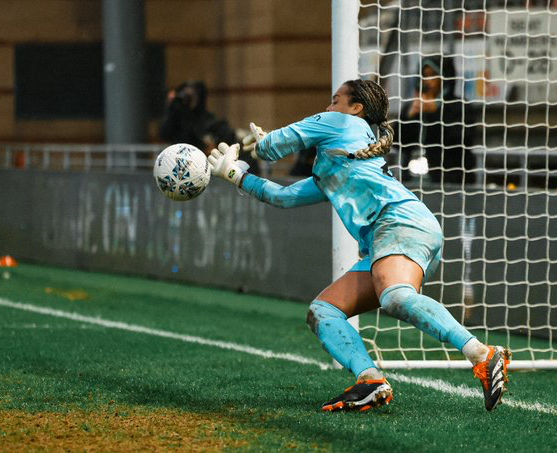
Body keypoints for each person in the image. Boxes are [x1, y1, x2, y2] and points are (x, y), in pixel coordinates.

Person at [207, 79, 510, 412]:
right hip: (393, 237)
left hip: (400, 224)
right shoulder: (333, 165)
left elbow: (274, 146)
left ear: (356, 108)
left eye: (335, 100)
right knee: (324, 311)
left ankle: (482, 354)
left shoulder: (343, 122)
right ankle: (370, 381)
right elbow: (283, 197)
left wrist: (261, 143)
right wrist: (237, 176)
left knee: (394, 297)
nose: (328, 107)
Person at [396, 56, 478, 185]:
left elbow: (461, 139)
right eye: (424, 75)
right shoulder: (413, 106)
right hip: (412, 181)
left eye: (433, 75)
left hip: (451, 180)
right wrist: (409, 116)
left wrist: (435, 113)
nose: (428, 81)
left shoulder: (460, 106)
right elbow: (397, 143)